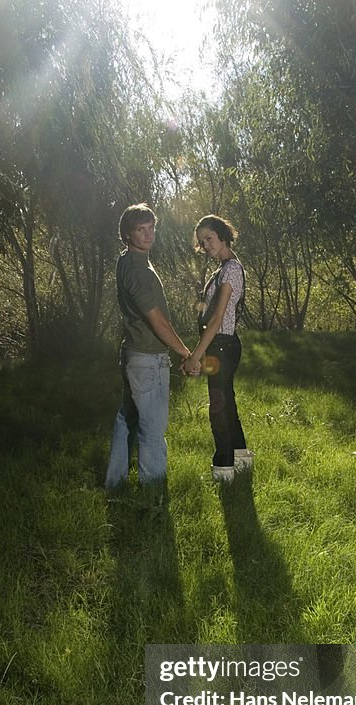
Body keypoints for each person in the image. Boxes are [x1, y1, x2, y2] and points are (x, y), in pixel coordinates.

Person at [105, 203, 193, 490]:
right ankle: (153, 495)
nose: (148, 235)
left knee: (126, 419)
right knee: (152, 431)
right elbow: (158, 322)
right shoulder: (138, 271)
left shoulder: (128, 260)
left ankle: (115, 484)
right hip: (147, 357)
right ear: (127, 235)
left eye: (151, 227)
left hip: (133, 352)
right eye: (140, 230)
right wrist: (185, 352)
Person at [182, 215, 254, 483]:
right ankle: (241, 456)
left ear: (223, 235)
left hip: (222, 345)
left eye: (209, 238)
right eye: (202, 242)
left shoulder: (232, 269)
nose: (206, 245)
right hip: (220, 344)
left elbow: (217, 318)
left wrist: (195, 356)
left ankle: (223, 469)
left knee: (218, 407)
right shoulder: (222, 269)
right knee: (227, 402)